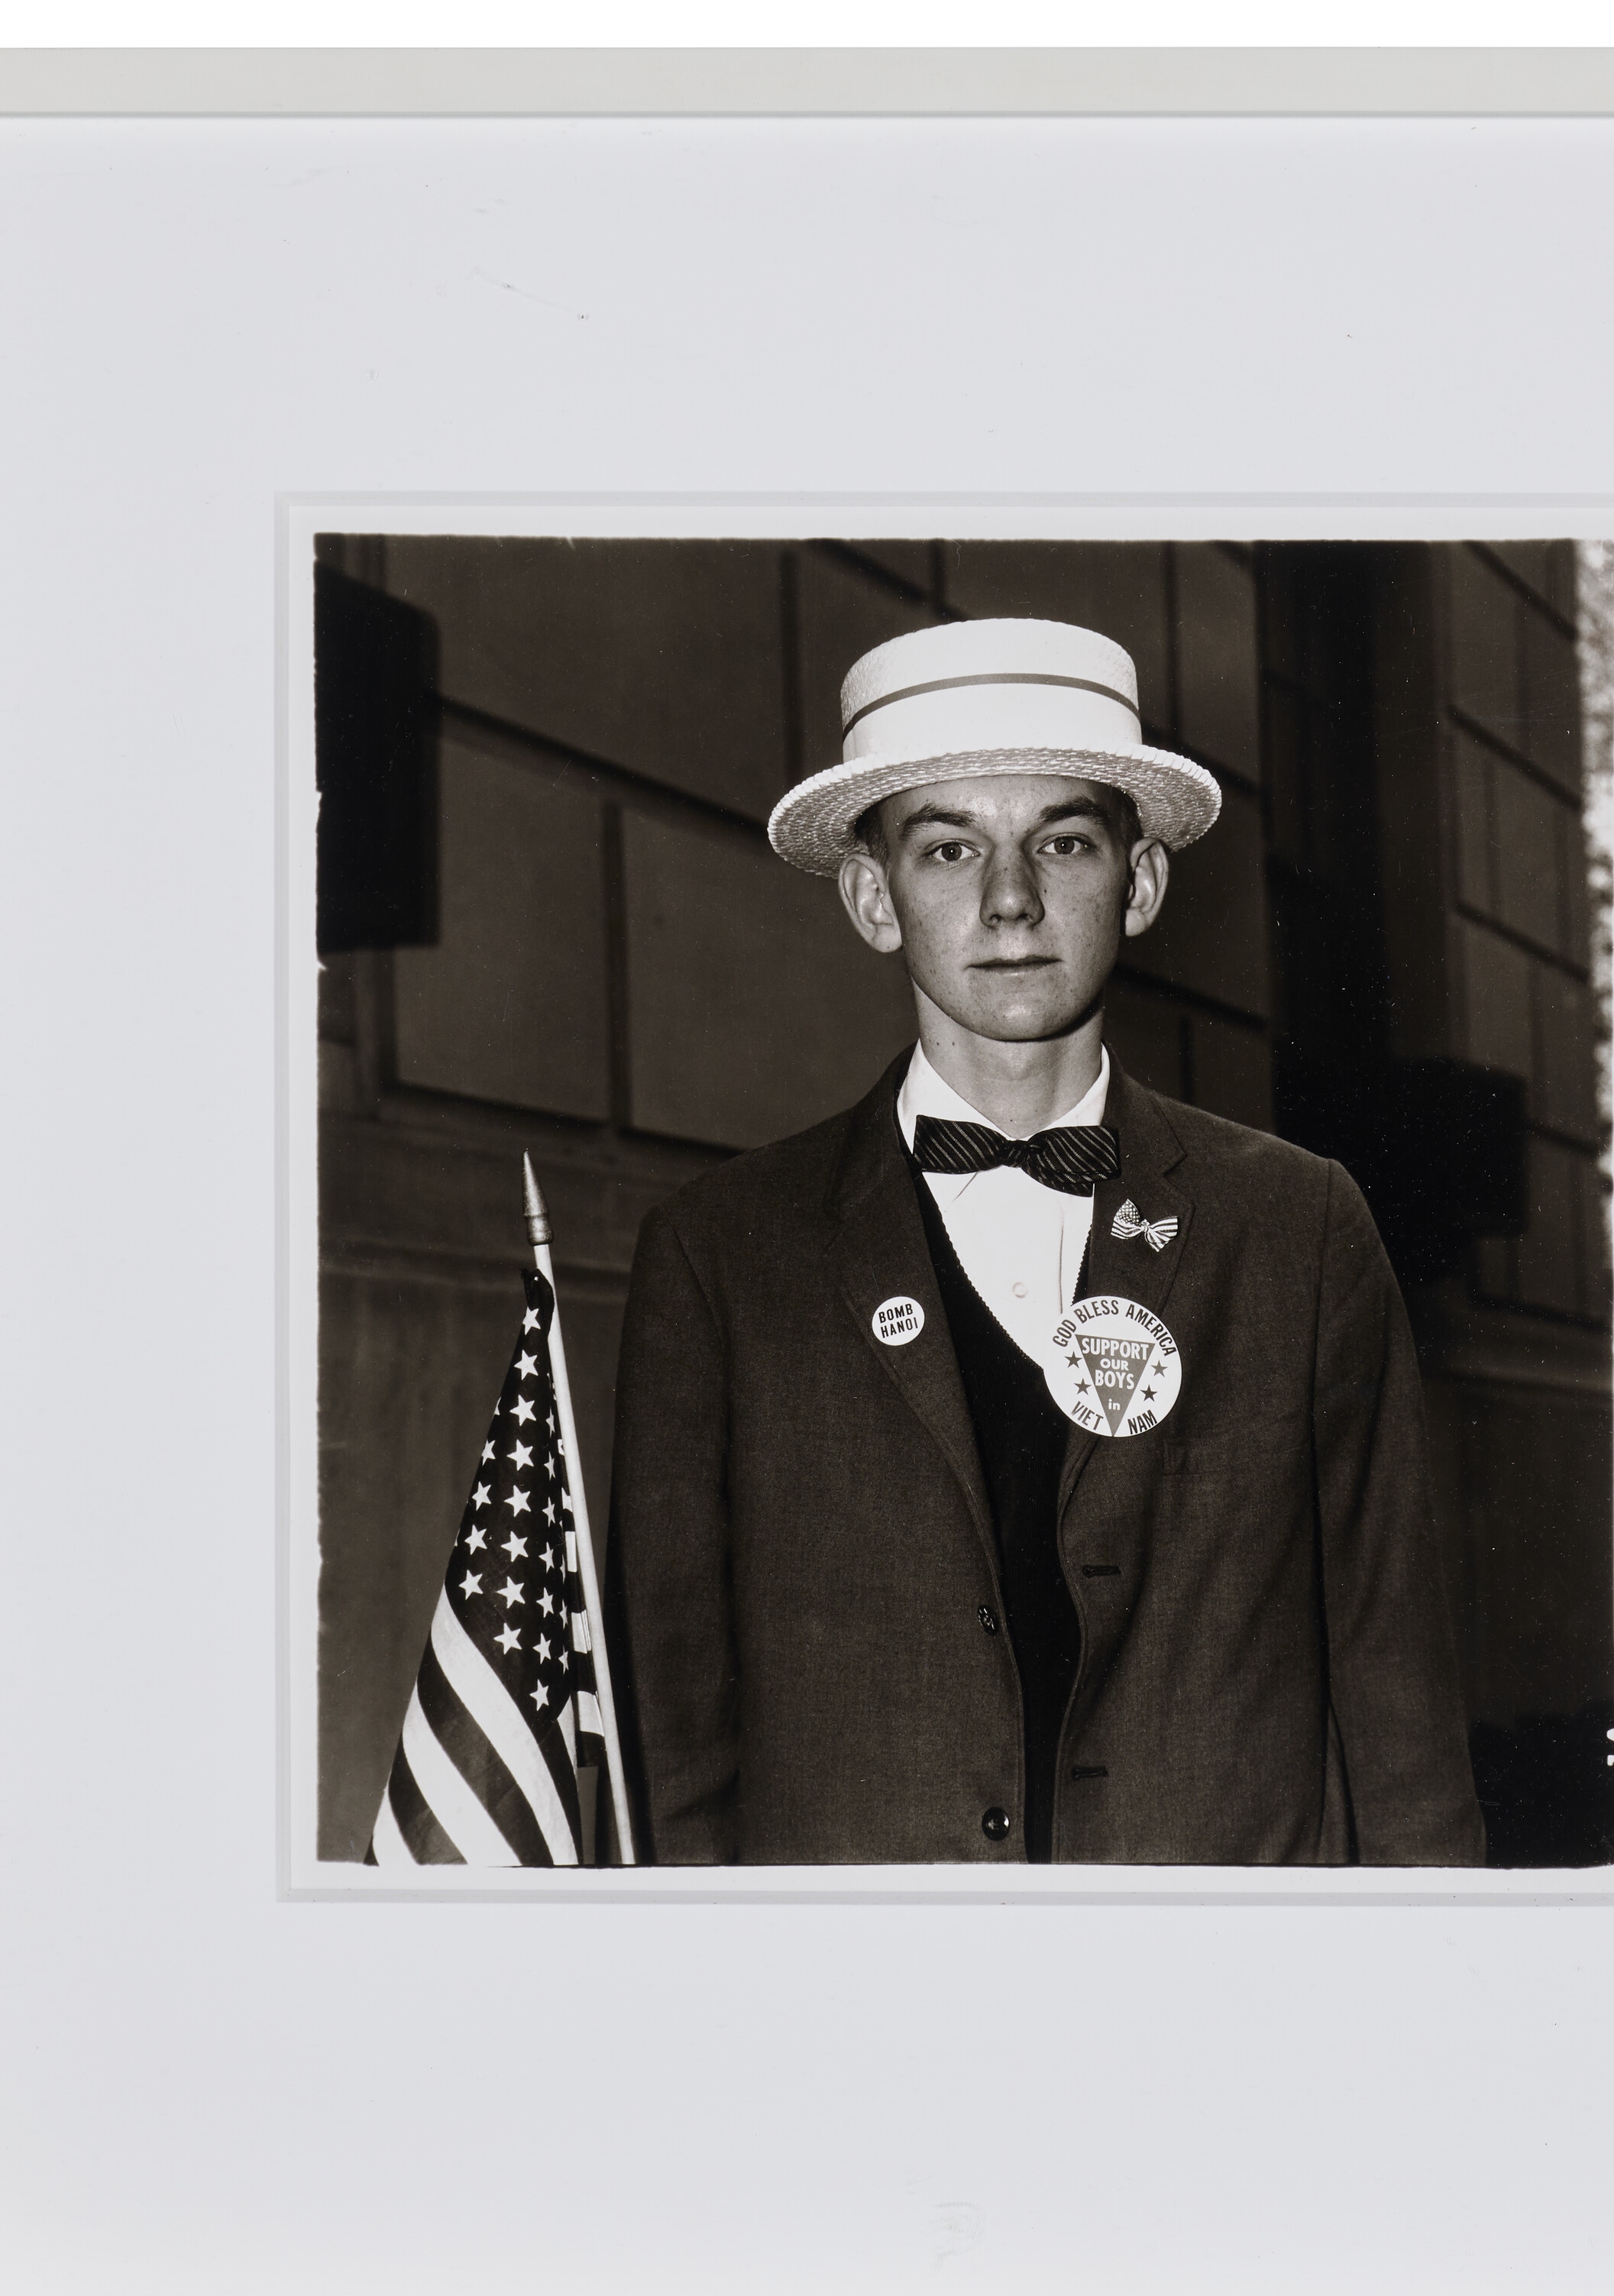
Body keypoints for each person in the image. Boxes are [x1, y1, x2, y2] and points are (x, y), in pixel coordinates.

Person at [604, 616, 1483, 1867]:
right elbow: (674, 1743)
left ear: (1141, 881)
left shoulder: (1298, 1228)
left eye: (1062, 842)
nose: (1010, 899)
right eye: (949, 847)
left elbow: (1398, 1703)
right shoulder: (723, 1257)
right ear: (871, 895)